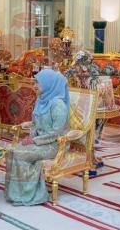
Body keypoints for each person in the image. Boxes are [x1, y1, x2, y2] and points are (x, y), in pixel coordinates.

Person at [4, 69, 70, 206]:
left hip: (55, 145)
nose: (34, 86)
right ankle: (16, 192)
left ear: (48, 84)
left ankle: (28, 194)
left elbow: (57, 132)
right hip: (41, 141)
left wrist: (33, 140)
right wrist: (31, 135)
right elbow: (36, 123)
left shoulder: (58, 105)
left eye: (37, 83)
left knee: (20, 153)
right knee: (12, 150)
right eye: (35, 82)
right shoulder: (42, 99)